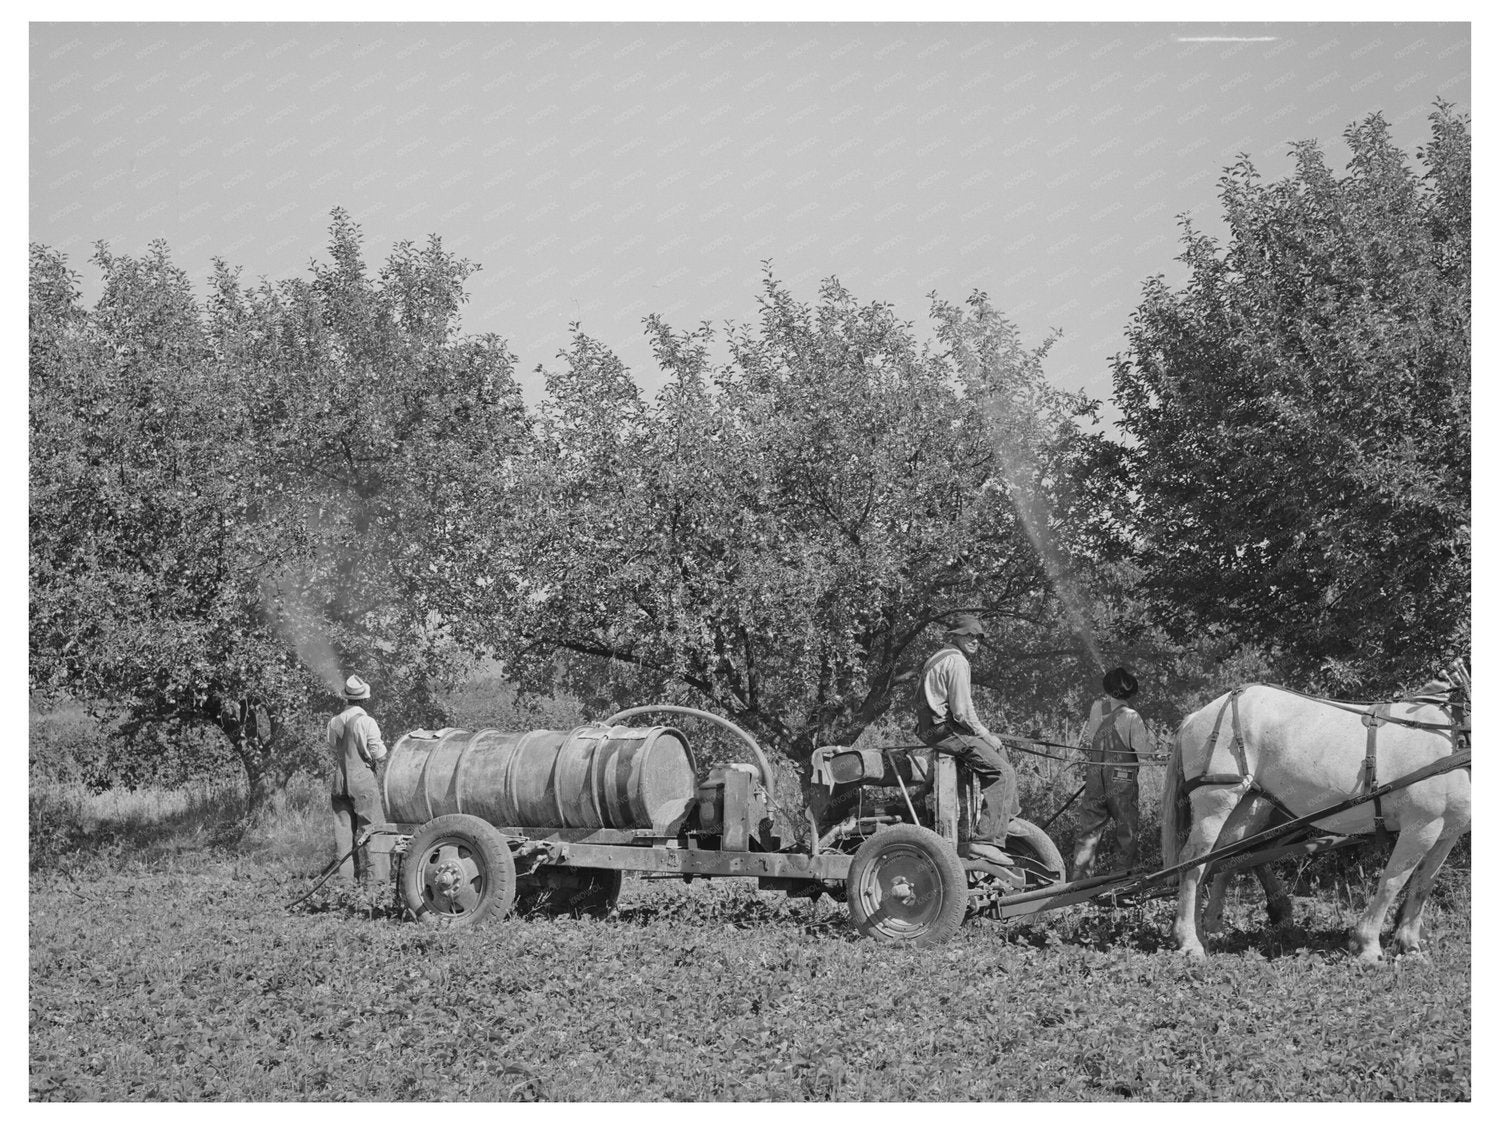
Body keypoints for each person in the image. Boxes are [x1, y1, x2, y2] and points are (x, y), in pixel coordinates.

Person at [914, 614, 1020, 858]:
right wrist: (984, 733)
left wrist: (987, 737)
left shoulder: (941, 655)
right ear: (955, 635)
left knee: (999, 749)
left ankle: (1007, 818)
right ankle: (987, 841)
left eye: (978, 637)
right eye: (969, 635)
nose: (975, 641)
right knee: (1003, 773)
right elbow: (962, 710)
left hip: (936, 728)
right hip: (943, 730)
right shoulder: (957, 661)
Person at [1071, 666, 1153, 878]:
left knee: (1089, 828)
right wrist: (1153, 747)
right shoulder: (1132, 716)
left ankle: (1080, 880)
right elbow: (1144, 753)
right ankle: (1120, 877)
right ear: (1131, 692)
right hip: (1122, 778)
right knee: (1126, 828)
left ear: (1107, 688)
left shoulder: (1097, 707)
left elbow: (1092, 738)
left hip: (1095, 775)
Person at [328, 674, 390, 888]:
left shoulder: (334, 722)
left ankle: (345, 884)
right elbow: (379, 754)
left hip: (339, 780)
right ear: (364, 699)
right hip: (361, 779)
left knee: (343, 832)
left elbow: (333, 747)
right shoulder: (366, 721)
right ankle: (376, 883)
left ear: (347, 698)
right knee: (373, 829)